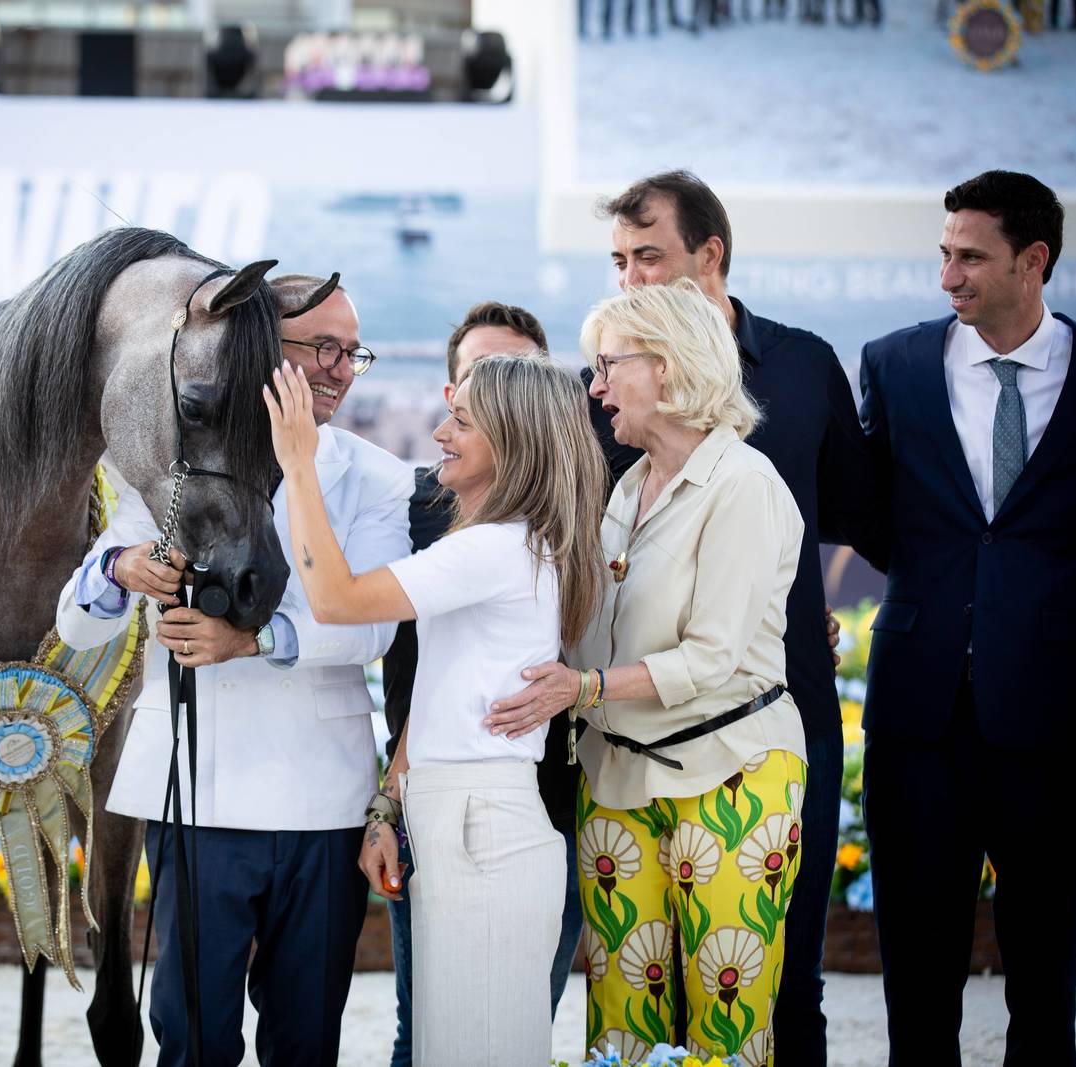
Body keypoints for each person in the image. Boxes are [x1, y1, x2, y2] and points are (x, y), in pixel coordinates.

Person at [501, 170, 868, 1065]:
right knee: (623, 1034)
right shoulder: (624, 486)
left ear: (666, 368)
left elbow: (712, 658)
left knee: (728, 1034)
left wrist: (582, 686)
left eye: (610, 366)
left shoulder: (744, 483)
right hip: (617, 785)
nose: (594, 386)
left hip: (729, 781)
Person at [55, 277, 412, 1067]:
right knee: (193, 1036)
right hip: (199, 794)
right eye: (324, 347)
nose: (341, 368)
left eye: (353, 352)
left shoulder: (379, 477)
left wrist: (249, 642)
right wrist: (119, 567)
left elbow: (373, 626)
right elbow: (75, 624)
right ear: (259, 350)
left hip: (323, 800)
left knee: (306, 1036)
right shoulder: (171, 468)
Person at [265, 350, 604, 1066]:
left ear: (512, 443)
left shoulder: (497, 549)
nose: (440, 433)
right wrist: (389, 807)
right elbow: (436, 693)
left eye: (463, 421)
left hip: (485, 828)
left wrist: (298, 465)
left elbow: (335, 600)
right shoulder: (502, 546)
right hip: (464, 819)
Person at [855, 171, 1076, 1066]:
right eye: (944, 253)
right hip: (918, 716)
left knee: (1046, 970)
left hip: (1054, 717)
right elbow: (870, 513)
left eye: (970, 258)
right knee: (917, 979)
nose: (947, 276)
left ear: (1033, 261)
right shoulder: (895, 363)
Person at [378, 299, 585, 1066]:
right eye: (476, 385)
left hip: (547, 805)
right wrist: (386, 805)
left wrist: (586, 684)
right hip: (435, 801)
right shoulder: (424, 505)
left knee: (511, 1030)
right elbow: (418, 676)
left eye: (518, 376)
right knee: (428, 1034)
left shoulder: (577, 514)